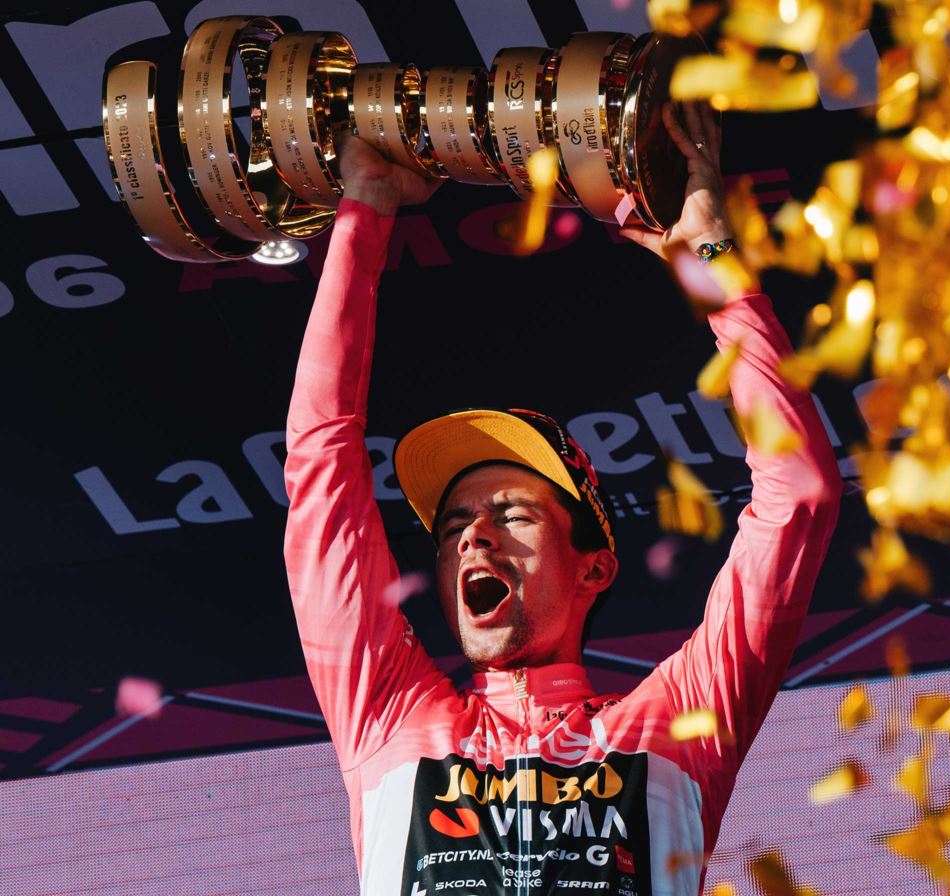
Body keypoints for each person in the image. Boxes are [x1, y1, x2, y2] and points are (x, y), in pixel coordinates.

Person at [283, 102, 841, 896]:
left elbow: (801, 494)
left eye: (511, 514)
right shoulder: (389, 717)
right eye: (452, 528)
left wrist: (712, 268)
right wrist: (365, 208)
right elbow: (321, 471)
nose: (474, 539)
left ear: (594, 569)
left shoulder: (675, 728)